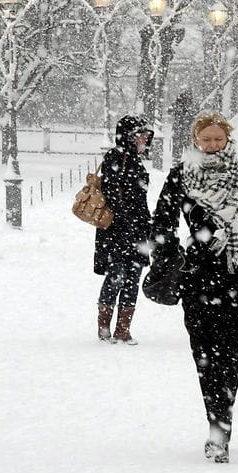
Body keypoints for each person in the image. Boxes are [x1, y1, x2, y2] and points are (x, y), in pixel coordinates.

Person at [150, 112, 238, 464]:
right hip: (199, 276)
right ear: (196, 140)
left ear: (227, 138)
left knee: (230, 356)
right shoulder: (182, 174)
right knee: (205, 356)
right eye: (205, 139)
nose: (212, 145)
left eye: (217, 139)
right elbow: (162, 221)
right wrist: (168, 256)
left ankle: (221, 426)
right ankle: (217, 424)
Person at [94, 115, 154, 344]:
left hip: (136, 230)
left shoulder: (136, 161)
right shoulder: (114, 157)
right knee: (116, 276)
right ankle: (104, 327)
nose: (145, 139)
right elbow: (112, 194)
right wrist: (127, 219)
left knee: (133, 278)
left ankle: (123, 329)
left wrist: (146, 224)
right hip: (116, 230)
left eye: (146, 135)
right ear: (129, 136)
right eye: (141, 134)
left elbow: (139, 199)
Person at [168, 89, 197, 163]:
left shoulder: (192, 105)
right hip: (182, 130)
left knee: (188, 151)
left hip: (186, 130)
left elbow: (195, 114)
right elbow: (170, 111)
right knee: (178, 151)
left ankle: (189, 163)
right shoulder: (179, 104)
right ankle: (177, 163)